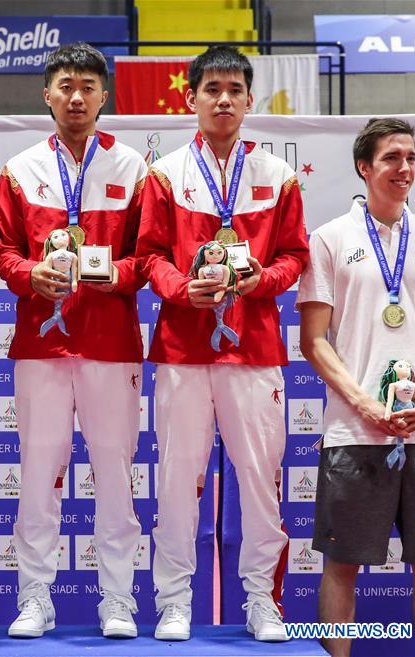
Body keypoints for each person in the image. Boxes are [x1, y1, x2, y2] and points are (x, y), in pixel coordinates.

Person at [136, 45, 309, 642]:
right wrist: (184, 290)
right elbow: (149, 257)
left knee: (261, 480)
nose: (224, 99)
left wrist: (263, 280)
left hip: (254, 349)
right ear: (192, 99)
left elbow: (294, 257)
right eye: (212, 89)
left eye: (235, 89)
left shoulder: (279, 177)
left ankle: (263, 599)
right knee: (177, 480)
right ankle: (174, 602)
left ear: (249, 99)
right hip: (184, 349)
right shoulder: (164, 175)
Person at [0, 42, 147, 639]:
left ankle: (118, 600)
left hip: (110, 343)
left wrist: (118, 274)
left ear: (104, 95)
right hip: (41, 344)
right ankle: (35, 597)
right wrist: (30, 274)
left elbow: (149, 256)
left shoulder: (135, 168)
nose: (76, 96)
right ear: (47, 94)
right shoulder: (20, 169)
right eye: (65, 85)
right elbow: (3, 253)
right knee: (37, 474)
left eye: (88, 85)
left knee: (115, 474)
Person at [298, 118, 415, 657]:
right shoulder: (330, 239)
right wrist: (361, 400)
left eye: (410, 157)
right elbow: (314, 340)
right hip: (354, 430)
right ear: (364, 167)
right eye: (391, 158)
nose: (404, 168)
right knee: (342, 565)